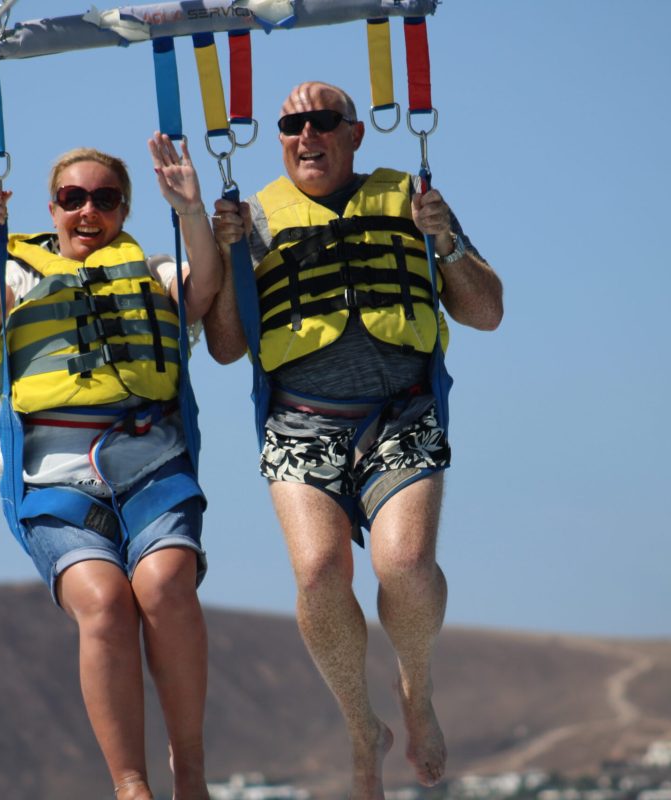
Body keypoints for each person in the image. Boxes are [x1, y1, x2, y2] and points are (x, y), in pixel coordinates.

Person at [204, 81, 503, 797]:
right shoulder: (256, 220)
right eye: (291, 125)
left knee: (404, 564)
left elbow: (486, 311)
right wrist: (228, 258)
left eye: (323, 122)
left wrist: (446, 239)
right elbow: (222, 347)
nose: (307, 136)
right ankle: (358, 727)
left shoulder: (410, 198)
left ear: (356, 133)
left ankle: (416, 689)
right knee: (316, 574)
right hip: (301, 419)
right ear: (278, 137)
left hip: (400, 411)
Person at [0, 136, 221, 800]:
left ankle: (192, 772)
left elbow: (205, 290)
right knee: (102, 604)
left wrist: (191, 213)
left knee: (166, 588)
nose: (87, 212)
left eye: (104, 199)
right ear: (53, 206)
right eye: (73, 199)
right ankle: (131, 787)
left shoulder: (152, 271)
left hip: (150, 460)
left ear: (123, 210)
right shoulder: (14, 275)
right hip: (54, 472)